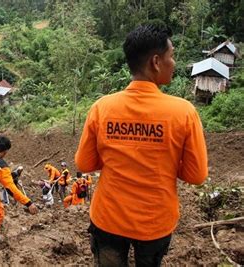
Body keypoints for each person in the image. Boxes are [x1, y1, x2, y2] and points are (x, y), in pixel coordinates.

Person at [75, 23, 208, 266]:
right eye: (172, 56)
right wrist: (163, 158)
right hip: (155, 222)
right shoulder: (183, 112)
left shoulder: (102, 108)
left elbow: (84, 163)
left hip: (108, 219)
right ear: (156, 62)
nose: (174, 63)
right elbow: (196, 175)